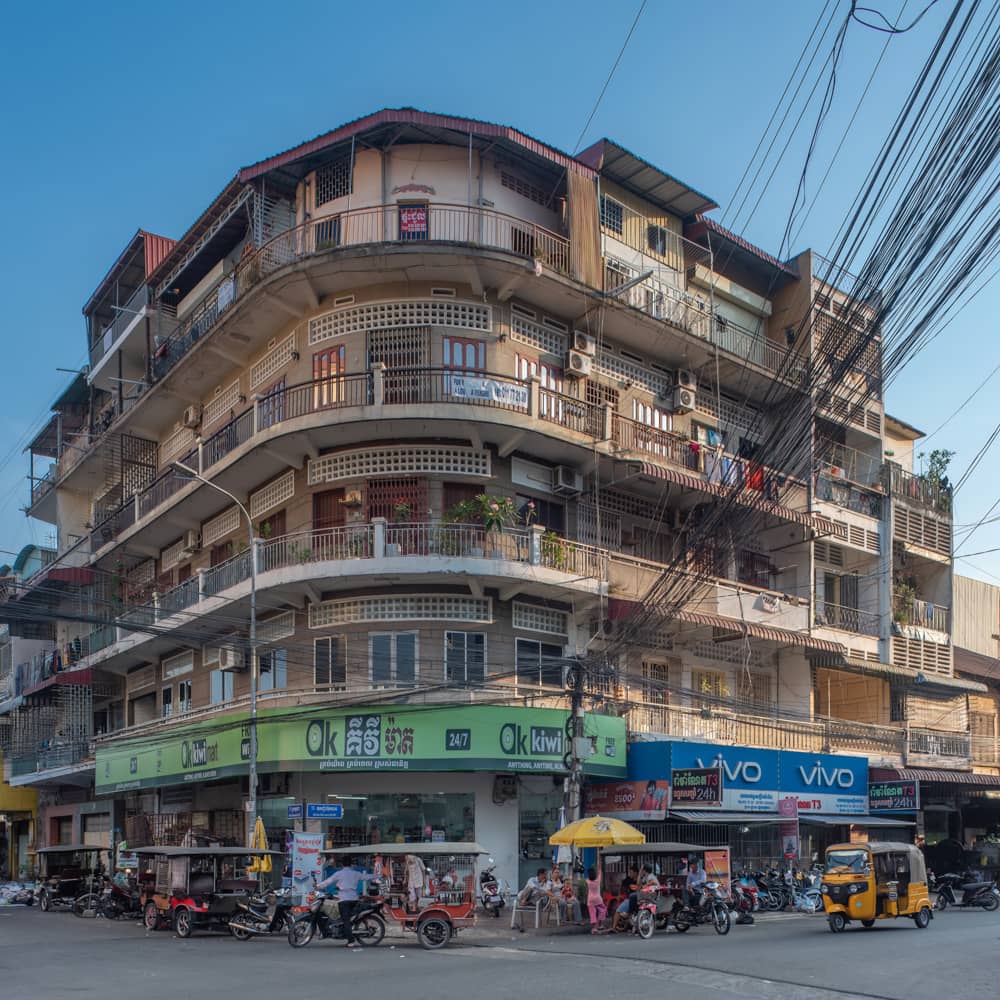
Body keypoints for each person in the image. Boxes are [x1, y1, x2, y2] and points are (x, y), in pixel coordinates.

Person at [316, 855, 363, 948]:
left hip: (345, 900)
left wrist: (318, 886)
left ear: (342, 864)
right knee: (343, 917)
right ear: (351, 864)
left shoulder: (340, 873)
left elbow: (328, 882)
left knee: (346, 920)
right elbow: (365, 876)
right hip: (353, 899)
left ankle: (351, 941)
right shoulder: (354, 873)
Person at [585, 865, 607, 933]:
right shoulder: (598, 881)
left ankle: (594, 928)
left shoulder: (588, 881)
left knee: (592, 913)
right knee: (603, 910)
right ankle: (600, 924)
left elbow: (586, 878)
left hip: (590, 899)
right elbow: (600, 873)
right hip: (598, 899)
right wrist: (599, 868)